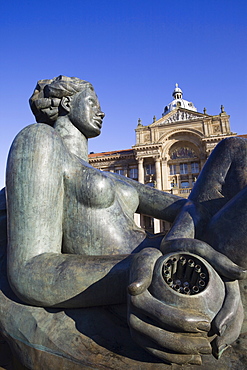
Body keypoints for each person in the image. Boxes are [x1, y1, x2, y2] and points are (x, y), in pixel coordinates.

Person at [4, 75, 246, 366]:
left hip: (175, 254)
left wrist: (189, 246)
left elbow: (190, 207)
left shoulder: (107, 175)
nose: (102, 111)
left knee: (232, 148)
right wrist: (140, 266)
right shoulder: (39, 141)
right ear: (67, 103)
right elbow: (29, 271)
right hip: (150, 275)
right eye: (93, 103)